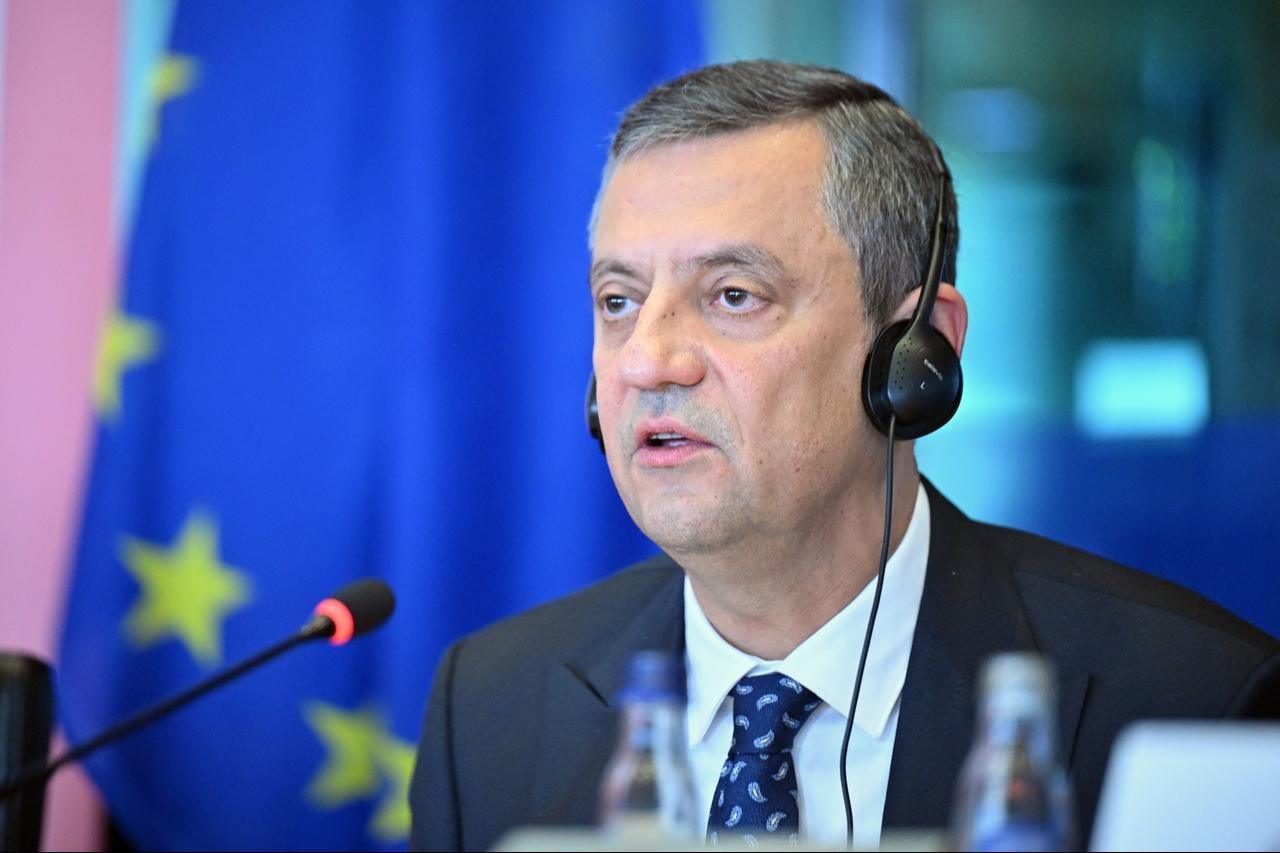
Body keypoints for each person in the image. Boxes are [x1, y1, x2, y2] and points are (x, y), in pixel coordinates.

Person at [409, 60, 1280, 851]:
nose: (646, 361)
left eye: (733, 295)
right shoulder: (487, 709)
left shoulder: (1192, 700)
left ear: (915, 356)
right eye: (617, 299)